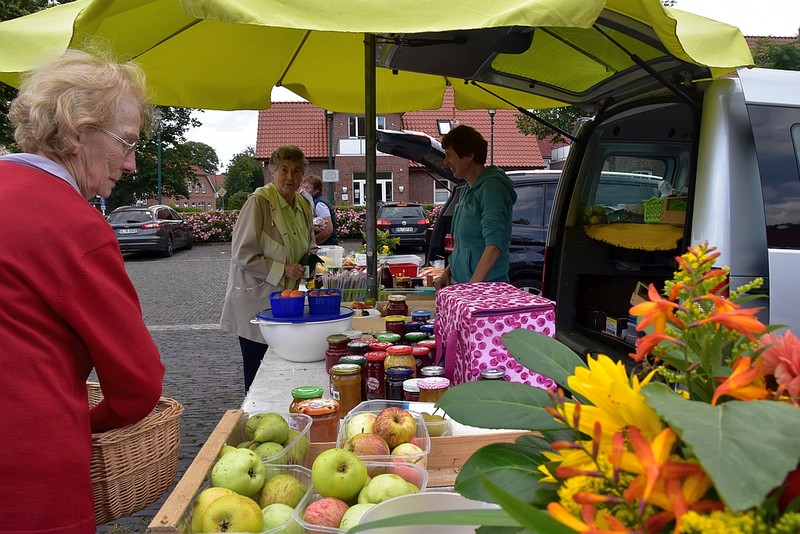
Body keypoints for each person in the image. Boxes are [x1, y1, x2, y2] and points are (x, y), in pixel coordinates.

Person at [0, 49, 165, 534]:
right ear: (77, 129)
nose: (132, 164)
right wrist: (89, 420)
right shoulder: (74, 224)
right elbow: (138, 383)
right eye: (126, 142)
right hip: (29, 478)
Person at [220, 145, 318, 392]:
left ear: (302, 176)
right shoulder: (259, 203)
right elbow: (242, 254)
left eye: (296, 171)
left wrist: (310, 266)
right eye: (283, 170)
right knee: (257, 374)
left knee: (282, 367)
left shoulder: (304, 205)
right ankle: (254, 417)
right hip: (256, 302)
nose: (289, 177)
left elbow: (310, 246)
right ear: (273, 172)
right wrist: (282, 269)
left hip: (287, 302)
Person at [434, 124, 517, 289]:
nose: (446, 162)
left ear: (469, 155)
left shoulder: (492, 188)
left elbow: (493, 247)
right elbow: (467, 246)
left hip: (486, 293)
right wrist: (447, 273)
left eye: (449, 155)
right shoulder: (467, 188)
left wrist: (471, 292)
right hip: (468, 288)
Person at [302, 173, 339, 245]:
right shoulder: (315, 201)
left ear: (317, 190)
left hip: (326, 246)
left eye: (307, 188)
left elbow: (328, 229)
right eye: (303, 187)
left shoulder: (320, 204)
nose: (304, 191)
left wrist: (313, 244)